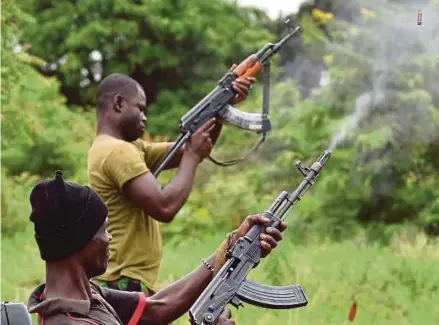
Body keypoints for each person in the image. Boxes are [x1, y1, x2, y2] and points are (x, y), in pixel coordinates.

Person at [27, 171, 286, 325]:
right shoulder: (71, 321)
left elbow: (157, 307)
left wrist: (230, 249)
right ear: (79, 240)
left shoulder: (86, 296)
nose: (109, 239)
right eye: (103, 230)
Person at [87, 71, 255, 295]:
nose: (145, 117)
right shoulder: (116, 151)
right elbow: (164, 206)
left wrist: (221, 107)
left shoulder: (127, 148)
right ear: (118, 103)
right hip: (122, 282)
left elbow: (190, 149)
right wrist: (193, 156)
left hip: (124, 281)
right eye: (140, 108)